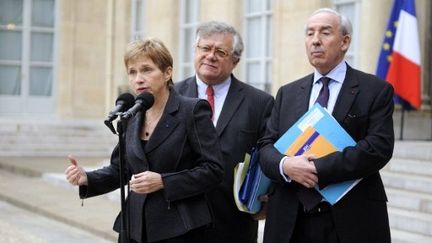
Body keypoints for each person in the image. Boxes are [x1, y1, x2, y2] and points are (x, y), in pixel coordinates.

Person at [65, 38, 224, 243]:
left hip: (179, 229)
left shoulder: (191, 110)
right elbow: (120, 169)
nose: (138, 79)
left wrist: (163, 182)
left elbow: (213, 170)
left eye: (147, 70)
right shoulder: (132, 116)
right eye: (132, 72)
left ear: (167, 73)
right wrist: (87, 178)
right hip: (134, 228)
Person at [258, 8, 394, 243]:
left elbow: (377, 148)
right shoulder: (287, 93)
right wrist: (286, 165)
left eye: (325, 33)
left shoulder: (375, 90)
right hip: (291, 219)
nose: (315, 41)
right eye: (310, 34)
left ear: (345, 41)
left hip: (351, 218)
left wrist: (315, 169)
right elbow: (266, 146)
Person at [175, 21, 274, 243]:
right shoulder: (171, 96)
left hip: (232, 224)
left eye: (220, 52)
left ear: (235, 60)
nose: (211, 56)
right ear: (195, 51)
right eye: (205, 48)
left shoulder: (259, 103)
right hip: (177, 221)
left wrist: (267, 199)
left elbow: (268, 154)